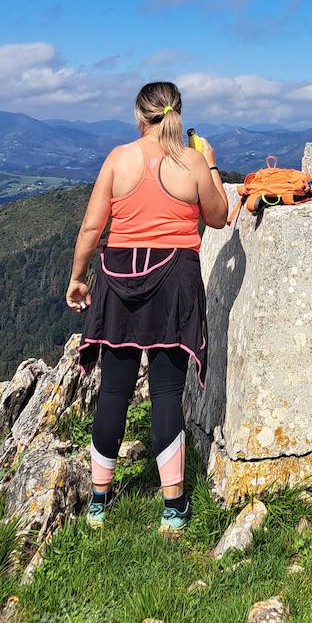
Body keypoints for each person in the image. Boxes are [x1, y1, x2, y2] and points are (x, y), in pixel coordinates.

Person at [66, 80, 229, 535]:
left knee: (114, 389)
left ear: (140, 117)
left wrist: (79, 279)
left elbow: (90, 228)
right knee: (165, 392)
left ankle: (99, 502)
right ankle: (173, 509)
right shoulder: (193, 161)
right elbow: (218, 217)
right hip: (174, 277)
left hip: (120, 277)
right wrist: (211, 164)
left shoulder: (119, 159)